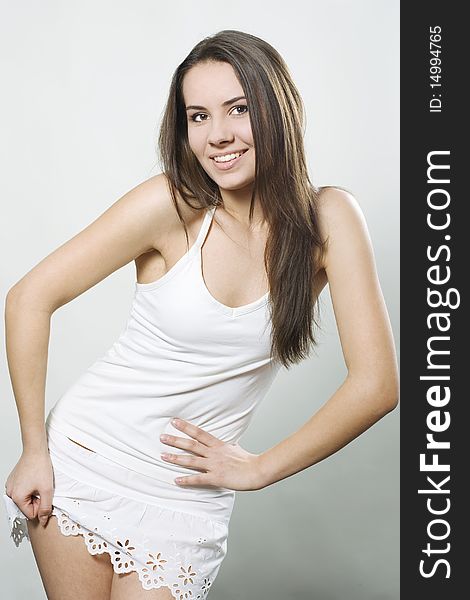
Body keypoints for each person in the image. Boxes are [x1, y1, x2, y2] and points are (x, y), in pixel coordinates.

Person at [3, 29, 399, 600]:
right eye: (198, 116)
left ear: (276, 109)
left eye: (238, 109)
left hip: (184, 498)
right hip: (84, 463)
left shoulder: (328, 221)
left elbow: (378, 385)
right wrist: (34, 450)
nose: (219, 135)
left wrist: (261, 468)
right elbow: (28, 298)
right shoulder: (171, 206)